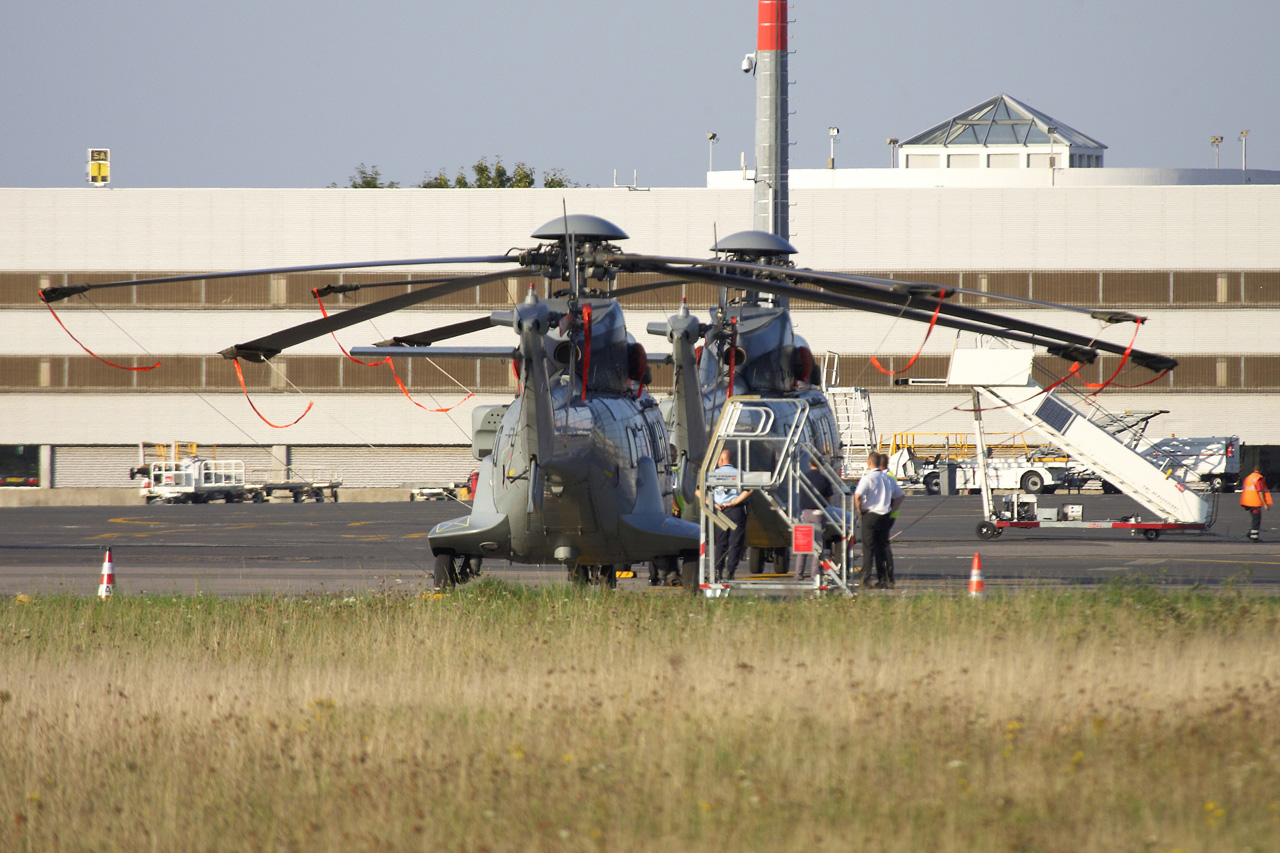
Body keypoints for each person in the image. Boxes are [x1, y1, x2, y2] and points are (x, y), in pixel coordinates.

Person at [855, 451, 904, 589]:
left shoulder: (868, 478)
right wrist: (892, 509)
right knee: (882, 548)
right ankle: (885, 579)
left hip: (871, 515)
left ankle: (865, 579)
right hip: (885, 515)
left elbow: (858, 495)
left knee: (868, 547)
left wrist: (860, 510)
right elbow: (900, 495)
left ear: (869, 463)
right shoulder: (887, 478)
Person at [709, 448, 752, 580]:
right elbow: (749, 489)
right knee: (735, 543)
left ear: (721, 460)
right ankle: (730, 571)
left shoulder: (713, 473)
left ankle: (717, 571)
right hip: (736, 510)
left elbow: (698, 492)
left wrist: (713, 503)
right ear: (731, 460)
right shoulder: (740, 473)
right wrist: (734, 502)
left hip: (720, 511)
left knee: (720, 543)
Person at [791, 456, 836, 581]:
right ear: (821, 465)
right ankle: (815, 575)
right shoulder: (824, 479)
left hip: (805, 513)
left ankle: (798, 574)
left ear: (810, 463)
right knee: (818, 546)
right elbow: (828, 499)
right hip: (818, 512)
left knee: (803, 545)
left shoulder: (804, 478)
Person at [877, 452, 899, 586]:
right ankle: (886, 575)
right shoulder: (890, 476)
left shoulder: (885, 477)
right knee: (883, 545)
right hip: (890, 514)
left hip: (886, 515)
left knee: (883, 546)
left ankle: (887, 576)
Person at [1240, 465, 1272, 542]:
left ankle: (1251, 533)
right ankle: (1254, 537)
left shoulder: (1249, 477)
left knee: (1254, 519)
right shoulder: (1258, 478)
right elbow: (1260, 491)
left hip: (1247, 501)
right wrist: (1264, 504)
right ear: (1260, 470)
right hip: (1255, 502)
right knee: (1256, 520)